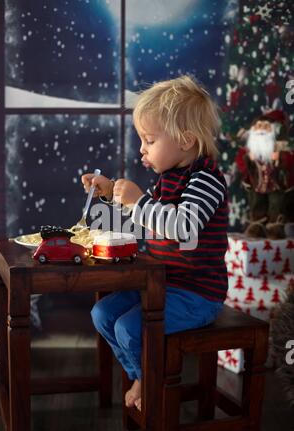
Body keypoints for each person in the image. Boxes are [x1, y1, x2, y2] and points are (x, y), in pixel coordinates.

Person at [82, 75, 228, 411]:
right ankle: (142, 374)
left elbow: (182, 225)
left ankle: (149, 382)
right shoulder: (166, 181)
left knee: (130, 328)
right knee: (103, 313)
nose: (142, 149)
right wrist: (109, 194)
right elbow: (142, 221)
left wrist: (138, 202)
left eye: (149, 140)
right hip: (161, 285)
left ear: (185, 141)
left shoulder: (205, 179)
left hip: (197, 293)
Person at [235, 110, 294, 238]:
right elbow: (241, 162)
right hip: (258, 184)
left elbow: (290, 161)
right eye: (258, 126)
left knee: (276, 204)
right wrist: (247, 158)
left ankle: (275, 226)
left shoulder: (281, 147)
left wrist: (280, 157)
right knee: (257, 204)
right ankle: (257, 225)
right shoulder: (251, 148)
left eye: (265, 127)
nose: (261, 130)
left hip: (276, 184)